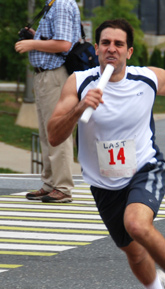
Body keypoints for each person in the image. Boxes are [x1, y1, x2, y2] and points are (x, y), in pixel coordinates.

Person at [47, 19, 165, 289]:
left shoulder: (146, 78)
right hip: (103, 182)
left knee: (136, 224)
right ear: (96, 49)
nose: (111, 49)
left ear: (129, 51)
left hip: (144, 168)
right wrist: (80, 106)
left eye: (118, 44)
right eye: (105, 43)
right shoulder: (79, 83)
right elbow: (55, 136)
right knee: (134, 253)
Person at [15, 0, 81, 203]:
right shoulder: (52, 3)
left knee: (57, 132)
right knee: (46, 132)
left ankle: (62, 187)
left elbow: (64, 45)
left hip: (54, 76)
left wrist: (31, 43)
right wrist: (35, 36)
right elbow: (57, 40)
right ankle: (50, 184)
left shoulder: (60, 4)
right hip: (46, 76)